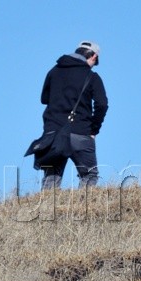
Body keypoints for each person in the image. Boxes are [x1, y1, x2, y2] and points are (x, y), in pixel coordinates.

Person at [39, 41, 108, 188]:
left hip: (53, 133)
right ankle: (84, 209)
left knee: (51, 176)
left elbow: (44, 99)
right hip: (81, 132)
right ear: (94, 56)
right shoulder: (92, 76)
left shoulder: (54, 71)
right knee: (89, 175)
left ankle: (46, 209)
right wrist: (94, 128)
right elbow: (102, 104)